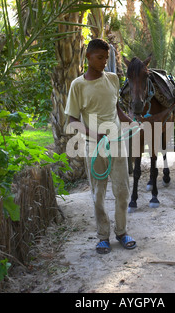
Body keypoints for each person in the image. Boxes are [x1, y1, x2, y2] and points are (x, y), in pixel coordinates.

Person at [64, 38, 136, 254]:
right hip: (94, 146)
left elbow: (116, 110)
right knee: (98, 193)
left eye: (106, 57)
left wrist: (129, 121)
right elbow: (72, 121)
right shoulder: (78, 85)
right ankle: (103, 236)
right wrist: (96, 134)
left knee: (122, 190)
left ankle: (121, 232)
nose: (104, 62)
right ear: (88, 57)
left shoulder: (113, 79)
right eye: (100, 57)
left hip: (116, 143)